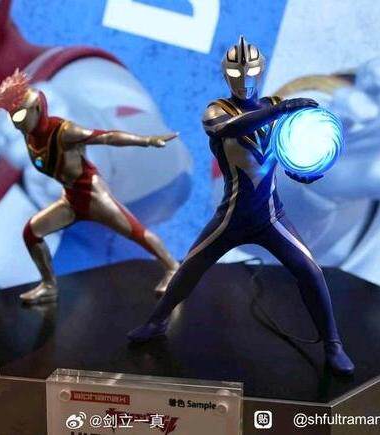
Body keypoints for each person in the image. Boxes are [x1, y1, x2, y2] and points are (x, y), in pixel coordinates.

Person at [128, 36, 355, 376]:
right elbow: (230, 129)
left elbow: (290, 152)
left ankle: (333, 344)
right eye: (236, 71)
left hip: (271, 216)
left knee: (310, 271)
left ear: (259, 70)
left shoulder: (277, 107)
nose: (243, 77)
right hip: (231, 218)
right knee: (190, 267)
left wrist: (306, 169)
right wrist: (279, 111)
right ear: (226, 73)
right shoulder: (218, 111)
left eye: (249, 70)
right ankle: (157, 321)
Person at [0, 71, 179, 303]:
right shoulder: (29, 134)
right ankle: (48, 286)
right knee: (33, 232)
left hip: (92, 195)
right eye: (14, 117)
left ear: (37, 110)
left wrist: (145, 141)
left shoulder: (64, 128)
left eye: (20, 116)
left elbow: (108, 136)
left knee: (136, 233)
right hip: (70, 198)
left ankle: (173, 268)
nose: (18, 123)